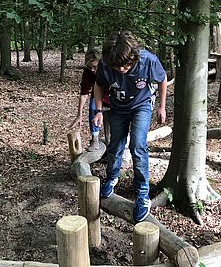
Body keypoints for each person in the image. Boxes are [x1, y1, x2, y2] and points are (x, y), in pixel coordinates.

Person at [92, 31, 167, 222]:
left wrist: (162, 107)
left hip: (141, 105)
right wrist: (99, 110)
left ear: (134, 56)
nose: (122, 70)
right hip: (118, 107)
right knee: (115, 144)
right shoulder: (106, 63)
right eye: (118, 67)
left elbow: (162, 78)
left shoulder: (147, 60)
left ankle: (142, 193)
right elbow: (99, 84)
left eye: (126, 66)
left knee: (137, 145)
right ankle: (112, 177)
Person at [70, 49, 109, 151]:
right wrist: (79, 115)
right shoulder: (88, 72)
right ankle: (94, 138)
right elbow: (84, 94)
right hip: (97, 95)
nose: (92, 70)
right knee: (93, 108)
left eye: (95, 67)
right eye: (90, 67)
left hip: (111, 95)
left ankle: (112, 144)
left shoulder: (108, 68)